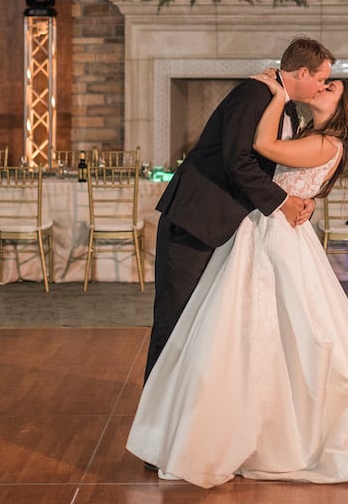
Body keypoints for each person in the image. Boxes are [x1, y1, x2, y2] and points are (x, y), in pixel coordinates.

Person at [127, 70, 348, 488]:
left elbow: (262, 148)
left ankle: (266, 430)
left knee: (287, 329)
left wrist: (279, 94)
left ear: (341, 108)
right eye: (321, 81)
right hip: (260, 231)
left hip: (276, 237)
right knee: (249, 328)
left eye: (329, 87)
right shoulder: (305, 133)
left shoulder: (323, 142)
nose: (322, 87)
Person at [144, 37, 336, 380]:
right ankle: (156, 416)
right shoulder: (254, 95)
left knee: (205, 320)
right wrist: (283, 202)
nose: (322, 86)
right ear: (303, 72)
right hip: (196, 219)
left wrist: (299, 196)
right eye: (321, 78)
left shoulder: (285, 105)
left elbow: (275, 166)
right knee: (175, 317)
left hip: (229, 225)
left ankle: (190, 403)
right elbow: (238, 162)